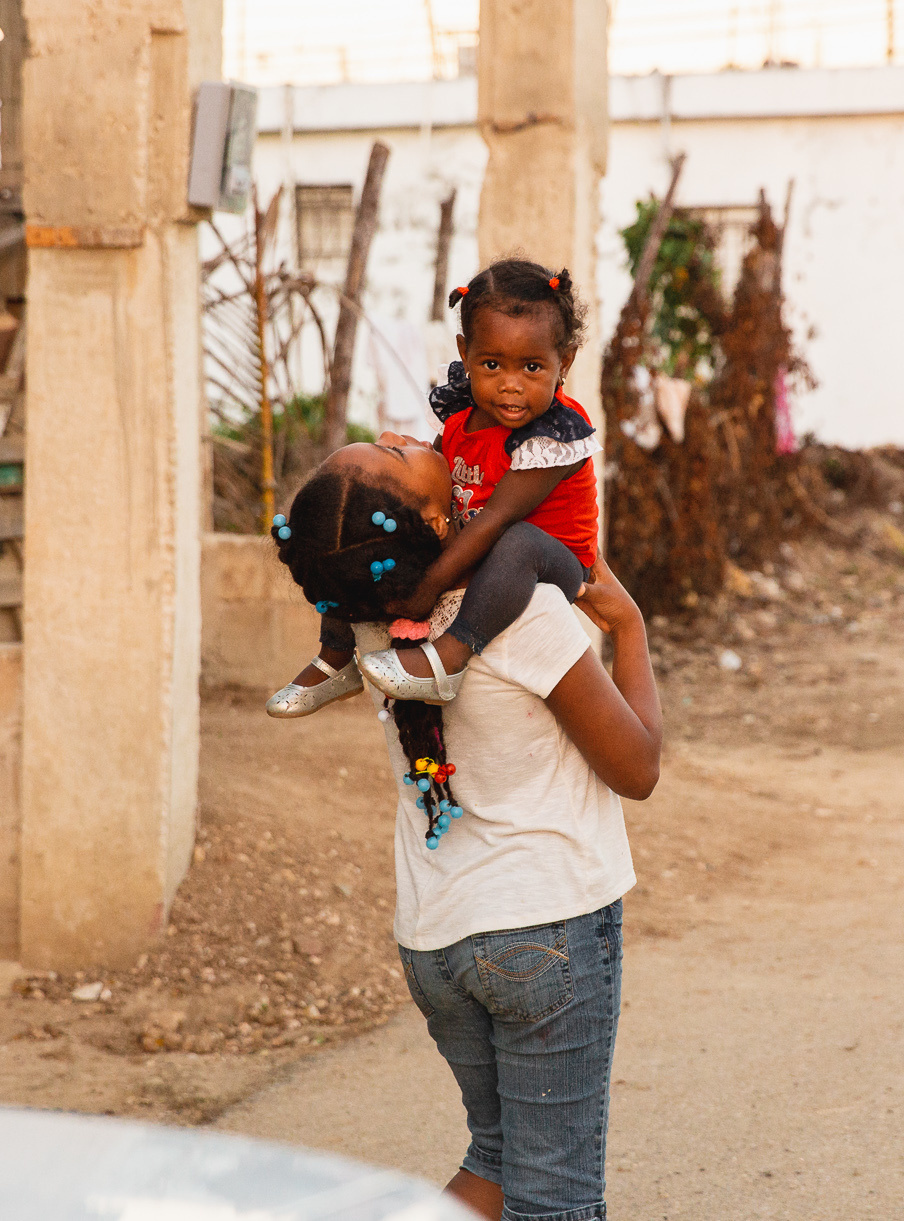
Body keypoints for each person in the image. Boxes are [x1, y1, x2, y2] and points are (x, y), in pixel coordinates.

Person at [270, 434, 661, 1221]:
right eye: (393, 447)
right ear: (439, 520)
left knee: (499, 1163)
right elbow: (638, 767)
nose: (407, 432)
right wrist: (632, 628)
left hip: (437, 941)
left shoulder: (370, 617)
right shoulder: (519, 611)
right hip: (541, 931)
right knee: (558, 1197)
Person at [265, 258, 598, 717]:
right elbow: (440, 469)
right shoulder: (465, 413)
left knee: (518, 541)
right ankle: (337, 657)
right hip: (478, 541)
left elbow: (500, 518)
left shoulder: (553, 435)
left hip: (548, 560)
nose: (510, 386)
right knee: (363, 532)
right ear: (465, 353)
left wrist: (428, 589)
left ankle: (451, 657)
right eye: (493, 364)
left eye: (533, 368)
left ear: (567, 361)